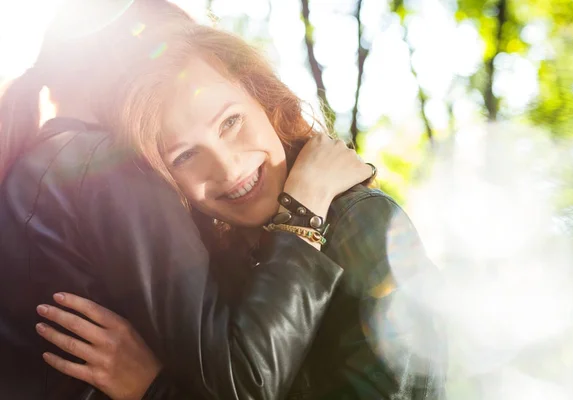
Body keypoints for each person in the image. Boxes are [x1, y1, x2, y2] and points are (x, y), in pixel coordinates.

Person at [30, 2, 447, 399]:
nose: (228, 169)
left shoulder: (365, 226)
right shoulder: (214, 262)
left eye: (230, 122)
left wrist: (154, 390)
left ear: (264, 97)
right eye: (186, 156)